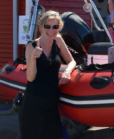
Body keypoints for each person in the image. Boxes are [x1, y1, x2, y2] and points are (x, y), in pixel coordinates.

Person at [18, 10, 77, 139]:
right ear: (41, 27)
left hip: (51, 104)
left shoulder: (58, 40)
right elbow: (30, 77)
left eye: (55, 27)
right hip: (33, 104)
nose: (51, 30)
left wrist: (67, 71)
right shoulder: (31, 46)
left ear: (60, 27)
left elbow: (72, 61)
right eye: (47, 26)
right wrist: (33, 58)